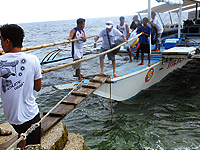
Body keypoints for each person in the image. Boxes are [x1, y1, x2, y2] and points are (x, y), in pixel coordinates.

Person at [0, 24, 42, 147]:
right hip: (30, 116)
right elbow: (38, 88)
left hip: (12, 118)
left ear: (7, 41)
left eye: (1, 40)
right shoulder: (33, 59)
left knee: (21, 134)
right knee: (33, 145)